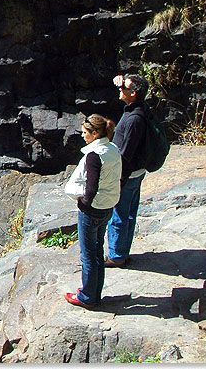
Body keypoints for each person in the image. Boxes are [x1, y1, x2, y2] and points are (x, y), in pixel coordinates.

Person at [64, 114, 122, 309]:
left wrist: (84, 201)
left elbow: (90, 189)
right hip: (108, 206)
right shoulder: (113, 149)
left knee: (89, 255)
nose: (82, 135)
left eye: (85, 132)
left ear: (95, 133)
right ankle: (95, 293)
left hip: (92, 211)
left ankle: (88, 297)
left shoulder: (94, 155)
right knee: (97, 252)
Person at [105, 73, 150, 267]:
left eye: (124, 88)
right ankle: (123, 251)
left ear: (134, 93)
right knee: (129, 213)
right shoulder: (139, 108)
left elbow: (126, 153)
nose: (120, 90)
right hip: (136, 172)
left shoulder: (133, 120)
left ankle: (116, 256)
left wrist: (117, 179)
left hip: (128, 175)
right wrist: (121, 79)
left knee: (118, 215)